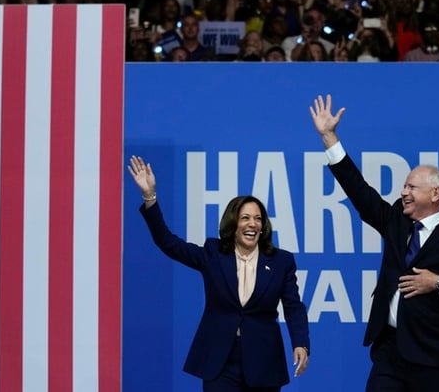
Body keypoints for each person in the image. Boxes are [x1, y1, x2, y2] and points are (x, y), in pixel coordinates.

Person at [308, 94, 439, 392]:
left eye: (411, 187)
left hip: (437, 360)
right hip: (390, 353)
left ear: (435, 194)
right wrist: (330, 137)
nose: (403, 192)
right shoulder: (397, 220)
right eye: (404, 186)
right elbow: (359, 191)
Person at [126, 155, 310, 391]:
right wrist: (149, 197)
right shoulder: (214, 254)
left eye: (257, 219)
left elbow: (293, 306)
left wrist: (301, 343)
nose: (252, 224)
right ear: (233, 224)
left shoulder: (281, 261)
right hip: (220, 361)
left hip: (264, 361)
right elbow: (168, 243)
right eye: (245, 218)